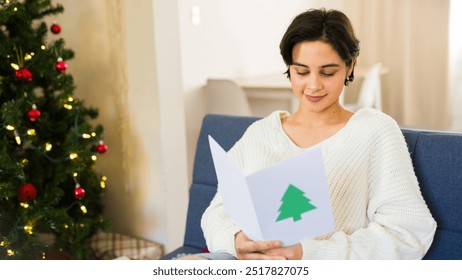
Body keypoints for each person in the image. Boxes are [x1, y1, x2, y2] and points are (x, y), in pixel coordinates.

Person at [180, 8, 436, 260]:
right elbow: (216, 213)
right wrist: (235, 240)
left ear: (350, 67)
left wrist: (309, 253)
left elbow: (408, 233)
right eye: (301, 71)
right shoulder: (260, 134)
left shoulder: (374, 132)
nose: (313, 85)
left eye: (327, 72)